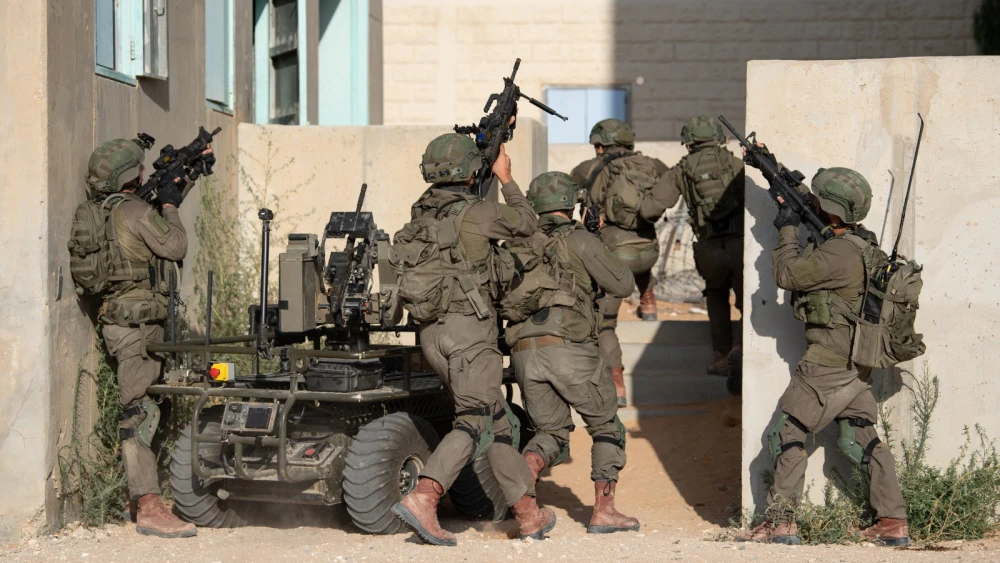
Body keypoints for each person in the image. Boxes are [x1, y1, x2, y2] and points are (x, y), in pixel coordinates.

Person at [736, 150, 909, 547]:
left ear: (830, 210)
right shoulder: (863, 245)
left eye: (817, 199)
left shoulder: (837, 253)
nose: (811, 202)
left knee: (787, 432)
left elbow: (786, 274)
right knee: (859, 436)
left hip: (826, 364)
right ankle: (893, 521)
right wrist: (775, 174)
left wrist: (786, 228)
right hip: (856, 363)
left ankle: (780, 523)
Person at [391, 133, 556, 546]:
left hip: (432, 334)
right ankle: (424, 497)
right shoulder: (478, 213)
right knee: (473, 421)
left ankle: (528, 513)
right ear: (470, 172)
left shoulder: (419, 216)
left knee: (496, 421)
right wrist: (505, 177)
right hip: (470, 335)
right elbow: (527, 223)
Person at [77, 138, 211, 538]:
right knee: (139, 412)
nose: (142, 171)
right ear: (127, 175)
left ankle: (138, 498)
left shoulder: (101, 211)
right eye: (137, 168)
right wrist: (169, 206)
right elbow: (174, 244)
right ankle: (149, 506)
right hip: (137, 327)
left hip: (126, 322)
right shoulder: (135, 210)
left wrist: (183, 181)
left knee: (156, 405)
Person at [507, 171, 640, 534]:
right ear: (572, 203)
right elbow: (624, 283)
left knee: (550, 432)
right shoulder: (580, 239)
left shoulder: (517, 245)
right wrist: (596, 242)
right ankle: (604, 511)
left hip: (523, 349)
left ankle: (525, 503)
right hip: (568, 346)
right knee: (606, 425)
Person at [570, 119, 680, 406]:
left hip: (616, 257)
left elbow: (565, 193)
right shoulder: (651, 164)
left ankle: (617, 384)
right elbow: (673, 184)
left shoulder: (589, 168)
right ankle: (648, 298)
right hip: (649, 251)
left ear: (600, 144)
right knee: (639, 253)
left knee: (605, 323)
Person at [661, 116, 745, 376]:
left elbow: (655, 204)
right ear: (720, 137)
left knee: (716, 294)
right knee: (747, 299)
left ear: (688, 142)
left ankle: (721, 355)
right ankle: (741, 347)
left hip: (709, 247)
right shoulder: (736, 164)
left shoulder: (682, 168)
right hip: (741, 245)